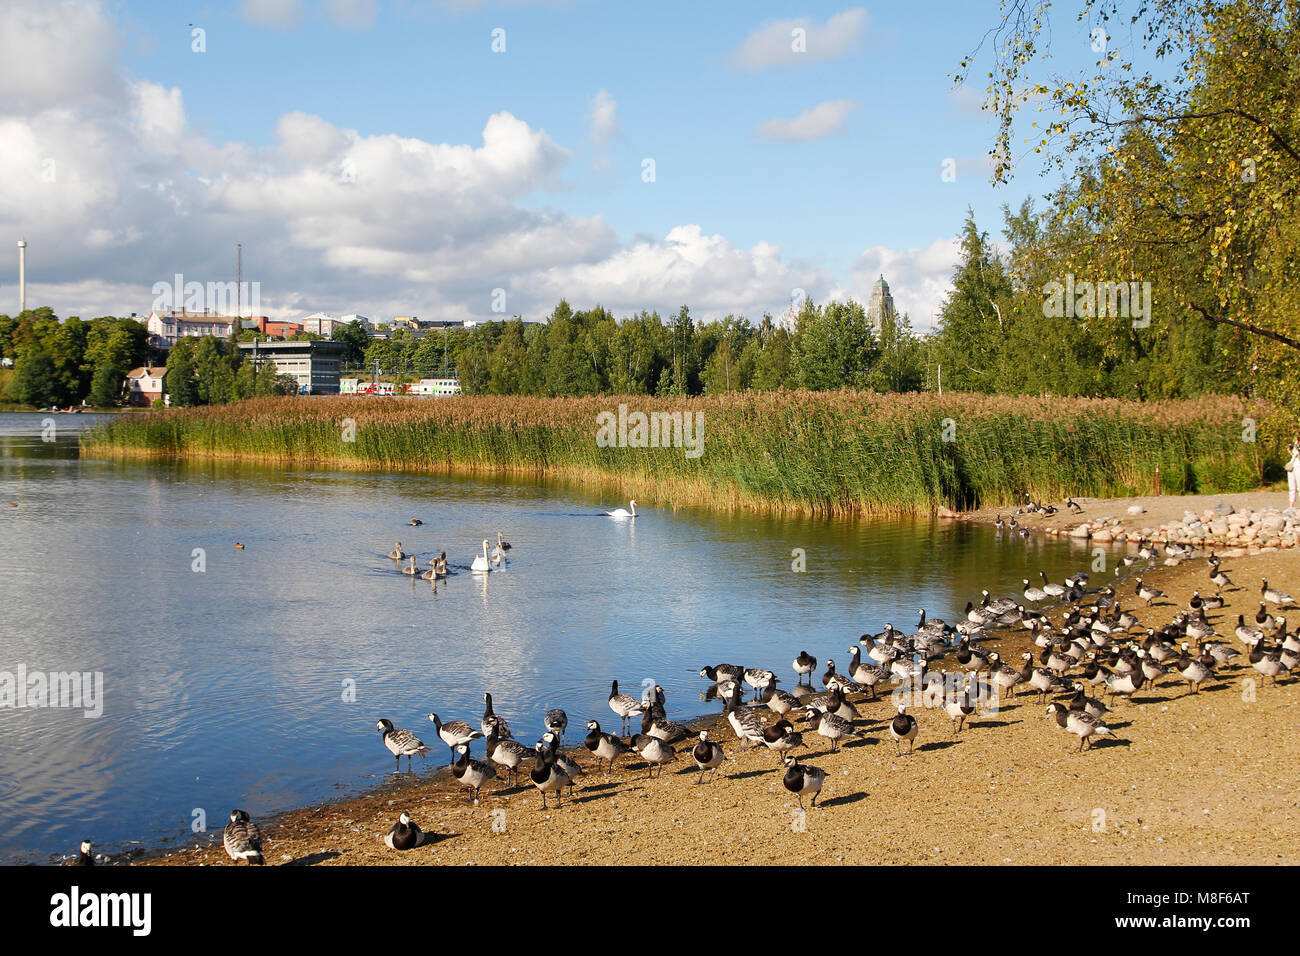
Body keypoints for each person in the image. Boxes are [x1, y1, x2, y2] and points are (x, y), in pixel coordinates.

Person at [1288, 438, 1300, 507]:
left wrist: (1296, 445)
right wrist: (1290, 450)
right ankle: (1291, 505)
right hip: (1292, 466)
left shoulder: (1297, 446)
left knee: (1299, 486)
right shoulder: (1294, 445)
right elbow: (1293, 455)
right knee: (1291, 487)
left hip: (1298, 466)